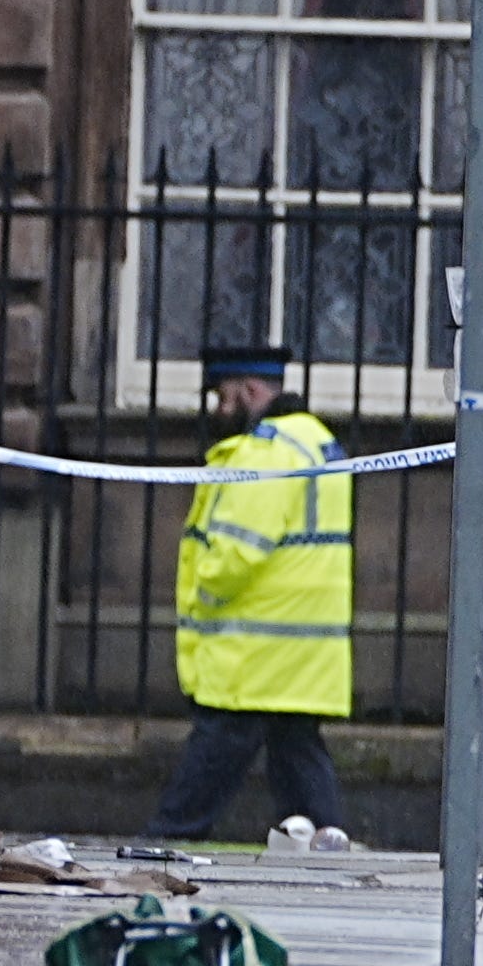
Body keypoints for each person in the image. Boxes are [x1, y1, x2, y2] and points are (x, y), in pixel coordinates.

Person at [144, 343, 354, 842]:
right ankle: (327, 841)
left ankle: (168, 837)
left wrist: (204, 593)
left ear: (250, 391)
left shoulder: (265, 452)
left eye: (223, 397)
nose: (218, 410)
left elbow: (237, 551)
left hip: (255, 648)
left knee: (218, 751)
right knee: (295, 750)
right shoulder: (317, 442)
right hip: (300, 645)